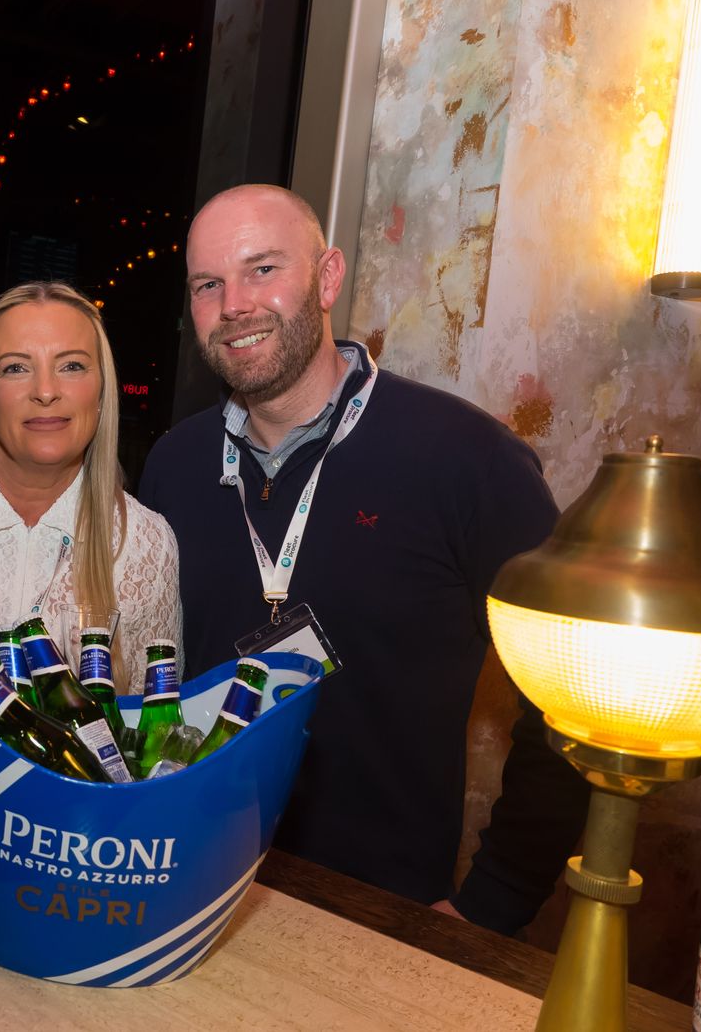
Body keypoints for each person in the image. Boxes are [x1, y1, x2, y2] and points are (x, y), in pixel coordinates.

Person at [138, 184, 587, 935]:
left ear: (328, 278)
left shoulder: (468, 461)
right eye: (207, 284)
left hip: (382, 914)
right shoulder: (174, 466)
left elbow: (572, 696)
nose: (234, 304)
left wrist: (492, 904)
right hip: (194, 885)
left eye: (262, 269)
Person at [0, 281, 180, 692]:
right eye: (16, 367)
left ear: (101, 392)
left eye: (72, 366)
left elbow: (155, 720)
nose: (45, 391)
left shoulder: (146, 542)